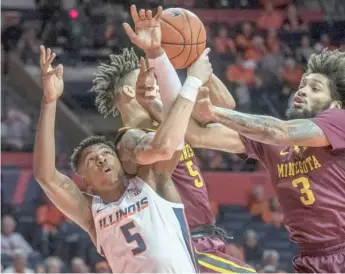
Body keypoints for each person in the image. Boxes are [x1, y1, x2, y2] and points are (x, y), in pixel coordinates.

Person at [90, 5, 256, 273]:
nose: (154, 78)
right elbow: (165, 145)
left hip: (207, 236)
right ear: (130, 89)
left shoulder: (168, 120)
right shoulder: (129, 142)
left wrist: (192, 56)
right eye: (147, 76)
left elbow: (226, 107)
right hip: (186, 240)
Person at [33, 43, 211, 272]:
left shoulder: (152, 181)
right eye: (91, 160)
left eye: (106, 153)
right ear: (85, 181)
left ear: (119, 160)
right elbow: (45, 176)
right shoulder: (91, 213)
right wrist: (49, 101)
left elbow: (171, 142)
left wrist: (189, 82)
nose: (101, 159)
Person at [189, 49, 345, 273]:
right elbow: (196, 135)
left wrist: (213, 112)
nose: (302, 91)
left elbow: (278, 130)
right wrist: (184, 73)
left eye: (315, 88)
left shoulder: (339, 120)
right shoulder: (271, 144)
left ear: (335, 105)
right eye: (302, 85)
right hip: (310, 258)